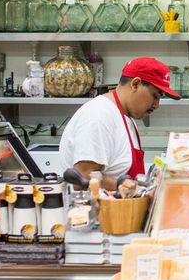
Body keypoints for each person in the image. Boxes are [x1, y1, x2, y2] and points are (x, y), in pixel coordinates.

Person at [59, 57, 180, 190]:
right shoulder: (99, 116)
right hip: (98, 209)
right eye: (155, 96)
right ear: (135, 84)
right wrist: (134, 188)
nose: (157, 105)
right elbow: (83, 177)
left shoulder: (125, 116)